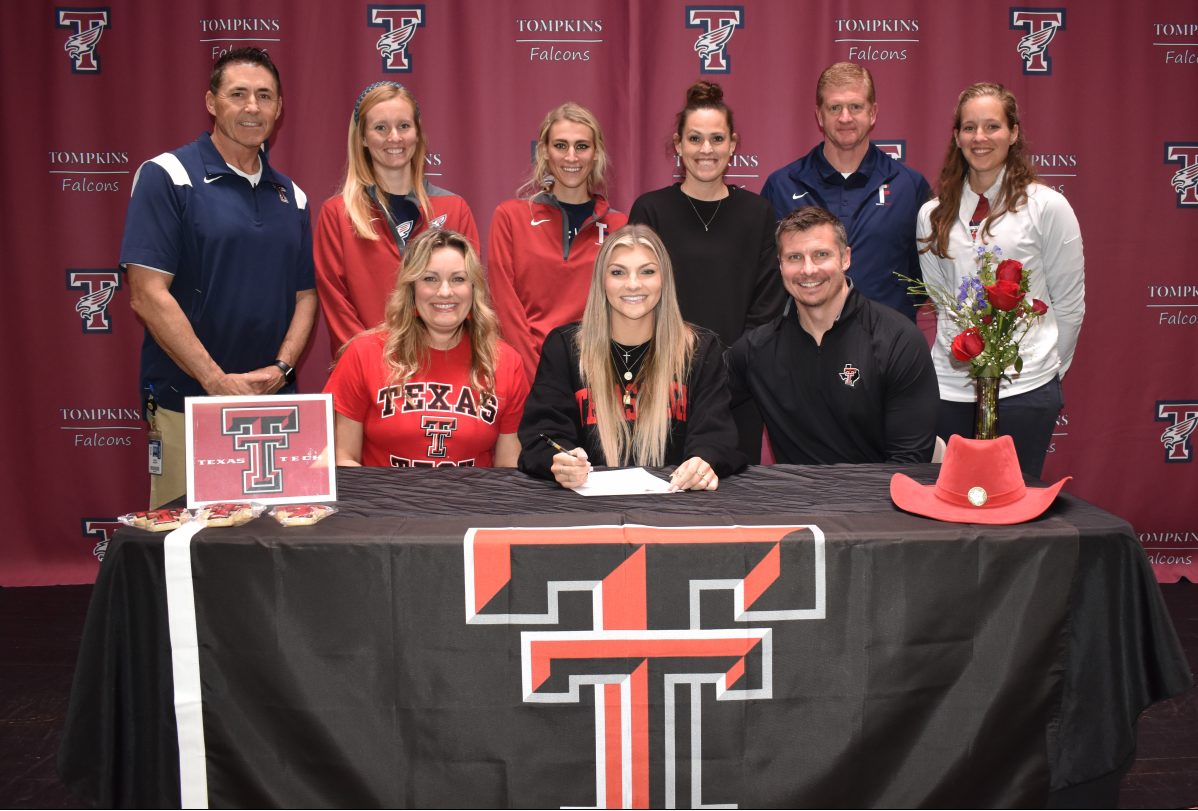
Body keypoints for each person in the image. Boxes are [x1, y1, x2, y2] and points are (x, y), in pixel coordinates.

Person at [123, 47, 317, 508]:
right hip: (188, 404)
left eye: (264, 96)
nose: (252, 107)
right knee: (188, 540)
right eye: (238, 94)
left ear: (279, 108)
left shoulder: (292, 196)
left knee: (275, 541)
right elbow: (147, 295)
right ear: (211, 102)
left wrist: (282, 369)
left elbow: (305, 296)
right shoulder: (168, 176)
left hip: (272, 409)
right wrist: (216, 381)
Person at [917, 82, 1084, 478]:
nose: (980, 137)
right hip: (950, 388)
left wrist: (1045, 373)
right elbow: (941, 301)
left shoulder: (1047, 207)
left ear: (1013, 133)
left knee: (1017, 503)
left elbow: (1069, 305)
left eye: (992, 126)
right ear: (957, 137)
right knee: (954, 500)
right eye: (969, 127)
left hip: (1025, 389)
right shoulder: (932, 214)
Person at [518, 224, 744, 490]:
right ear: (601, 280)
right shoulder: (565, 348)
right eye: (618, 272)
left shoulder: (699, 350)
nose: (634, 284)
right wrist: (560, 461)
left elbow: (717, 436)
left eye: (647, 271)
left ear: (664, 279)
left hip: (674, 505)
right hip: (587, 508)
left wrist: (703, 460)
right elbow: (542, 436)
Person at [629, 81, 784, 462]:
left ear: (733, 145)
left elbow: (767, 307)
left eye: (717, 139)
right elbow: (635, 297)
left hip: (737, 389)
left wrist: (725, 371)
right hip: (661, 383)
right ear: (678, 145)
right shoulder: (650, 211)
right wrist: (674, 367)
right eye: (695, 139)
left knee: (731, 490)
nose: (706, 150)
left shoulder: (757, 213)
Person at [728, 207, 938, 465]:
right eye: (794, 257)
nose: (808, 270)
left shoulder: (898, 340)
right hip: (793, 491)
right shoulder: (756, 350)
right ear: (780, 265)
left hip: (875, 490)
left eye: (821, 255)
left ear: (845, 258)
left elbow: (910, 461)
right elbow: (705, 408)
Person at [323, 229, 528, 468]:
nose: (445, 292)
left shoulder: (506, 362)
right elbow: (343, 459)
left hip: (471, 494)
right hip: (383, 493)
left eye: (458, 279)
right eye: (430, 279)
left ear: (474, 289)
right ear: (412, 288)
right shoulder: (364, 353)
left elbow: (508, 469)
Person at [315, 81, 478, 354]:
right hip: (365, 369)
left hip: (440, 367)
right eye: (381, 128)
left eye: (404, 126)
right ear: (362, 138)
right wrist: (373, 364)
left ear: (417, 134)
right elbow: (337, 306)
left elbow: (466, 296)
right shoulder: (338, 214)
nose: (394, 137)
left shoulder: (454, 208)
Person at [760, 62, 930, 320]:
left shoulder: (909, 186)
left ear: (873, 113)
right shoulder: (782, 185)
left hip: (886, 340)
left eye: (855, 107)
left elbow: (923, 280)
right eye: (834, 108)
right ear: (819, 116)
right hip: (805, 339)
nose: (845, 118)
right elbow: (768, 277)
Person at [488, 102, 628, 383]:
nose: (571, 156)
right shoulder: (510, 217)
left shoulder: (619, 226)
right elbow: (505, 308)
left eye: (582, 146)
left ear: (596, 153)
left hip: (596, 380)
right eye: (561, 145)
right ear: (544, 151)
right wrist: (538, 379)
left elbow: (621, 313)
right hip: (526, 378)